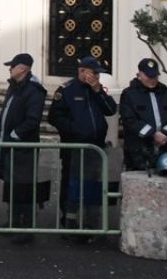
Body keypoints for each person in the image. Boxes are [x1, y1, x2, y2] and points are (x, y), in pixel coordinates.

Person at [47, 56, 118, 241]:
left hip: (95, 148)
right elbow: (54, 117)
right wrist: (75, 130)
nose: (96, 76)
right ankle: (68, 220)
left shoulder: (97, 90)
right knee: (71, 183)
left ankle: (90, 222)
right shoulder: (67, 90)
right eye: (93, 73)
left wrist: (97, 90)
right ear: (82, 71)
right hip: (74, 146)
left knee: (92, 184)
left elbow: (110, 109)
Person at [0, 53, 47, 244]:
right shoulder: (15, 86)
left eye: (13, 66)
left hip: (22, 148)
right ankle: (13, 222)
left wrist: (15, 135)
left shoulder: (34, 90)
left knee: (23, 187)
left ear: (22, 68)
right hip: (9, 145)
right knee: (11, 184)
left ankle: (26, 228)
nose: (10, 69)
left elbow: (32, 119)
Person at [119, 57, 167, 171]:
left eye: (155, 76)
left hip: (165, 150)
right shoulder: (129, 94)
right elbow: (129, 120)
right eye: (148, 76)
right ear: (139, 75)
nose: (152, 80)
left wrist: (166, 133)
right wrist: (152, 134)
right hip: (138, 153)